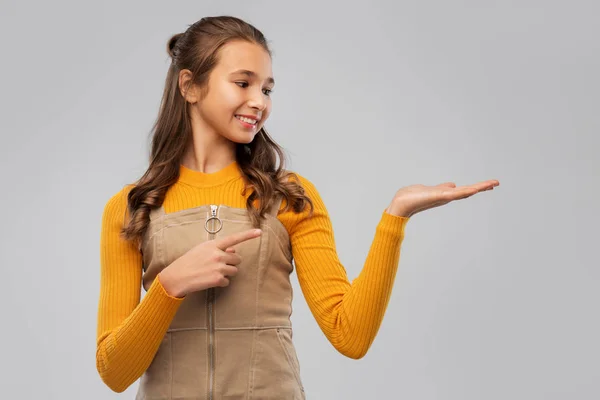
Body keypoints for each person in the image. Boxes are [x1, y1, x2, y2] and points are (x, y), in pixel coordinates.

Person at [95, 15, 499, 399]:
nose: (259, 102)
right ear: (190, 85)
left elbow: (350, 335)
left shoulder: (289, 198)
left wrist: (395, 217)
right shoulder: (133, 208)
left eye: (267, 89)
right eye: (243, 83)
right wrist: (169, 286)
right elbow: (114, 373)